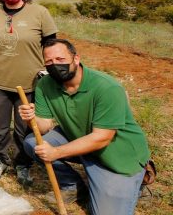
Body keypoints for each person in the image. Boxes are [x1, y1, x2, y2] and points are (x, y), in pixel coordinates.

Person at [19, 39, 151, 214]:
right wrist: (31, 118)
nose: (55, 65)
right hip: (79, 138)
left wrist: (57, 152)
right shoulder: (45, 84)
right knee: (33, 143)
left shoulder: (106, 87)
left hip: (117, 156)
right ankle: (73, 185)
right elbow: (43, 127)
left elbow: (102, 137)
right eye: (49, 61)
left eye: (60, 59)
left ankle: (137, 182)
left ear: (76, 59)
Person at [0, 0, 57, 185]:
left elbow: (51, 44)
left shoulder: (40, 13)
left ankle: (23, 163)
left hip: (30, 82)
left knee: (25, 127)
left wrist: (48, 72)